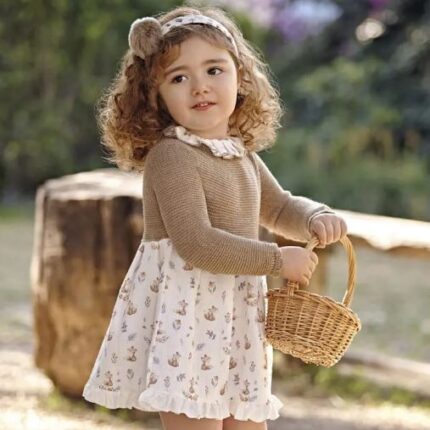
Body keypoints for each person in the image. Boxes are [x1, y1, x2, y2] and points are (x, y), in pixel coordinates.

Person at [82, 4, 347, 430]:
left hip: (234, 313)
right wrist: (278, 260)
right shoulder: (172, 156)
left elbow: (279, 207)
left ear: (240, 77)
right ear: (155, 95)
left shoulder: (240, 154)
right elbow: (196, 243)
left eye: (214, 70)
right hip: (187, 316)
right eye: (179, 78)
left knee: (246, 422)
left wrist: (314, 216)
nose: (200, 87)